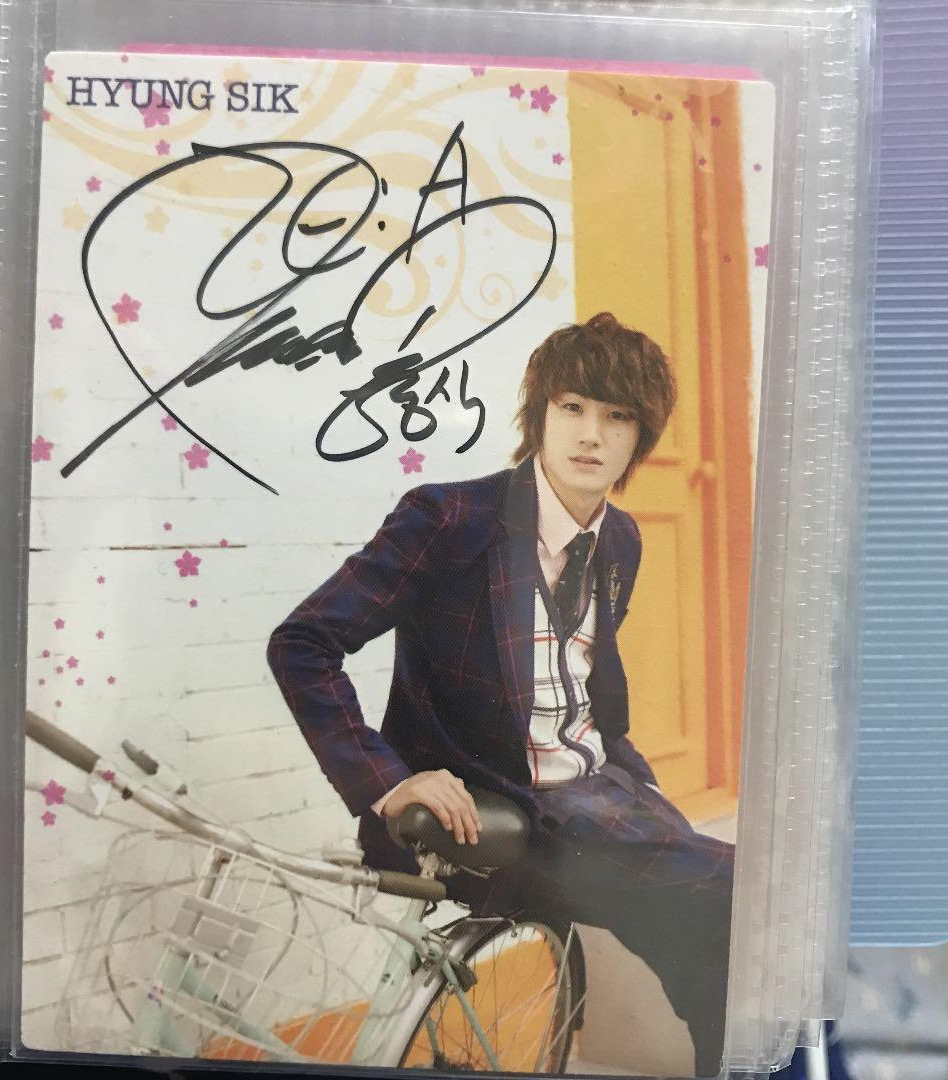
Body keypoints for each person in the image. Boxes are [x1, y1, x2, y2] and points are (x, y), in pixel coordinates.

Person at [268, 312, 735, 1076]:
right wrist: (389, 781)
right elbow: (303, 643)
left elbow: (578, 685)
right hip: (507, 797)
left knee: (717, 950)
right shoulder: (451, 518)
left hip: (598, 791)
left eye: (618, 417)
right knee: (741, 894)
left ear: (640, 438)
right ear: (539, 413)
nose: (592, 435)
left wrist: (632, 777)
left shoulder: (621, 539)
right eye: (573, 407)